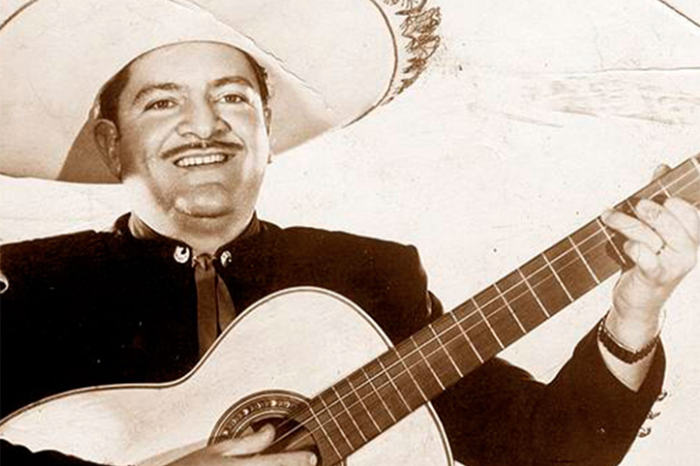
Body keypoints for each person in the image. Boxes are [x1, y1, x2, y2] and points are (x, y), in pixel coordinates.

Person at [0, 1, 698, 465]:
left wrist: (634, 313)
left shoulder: (368, 276)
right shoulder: (25, 285)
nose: (205, 125)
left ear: (267, 131)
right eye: (162, 103)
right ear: (111, 143)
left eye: (233, 97)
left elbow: (549, 449)